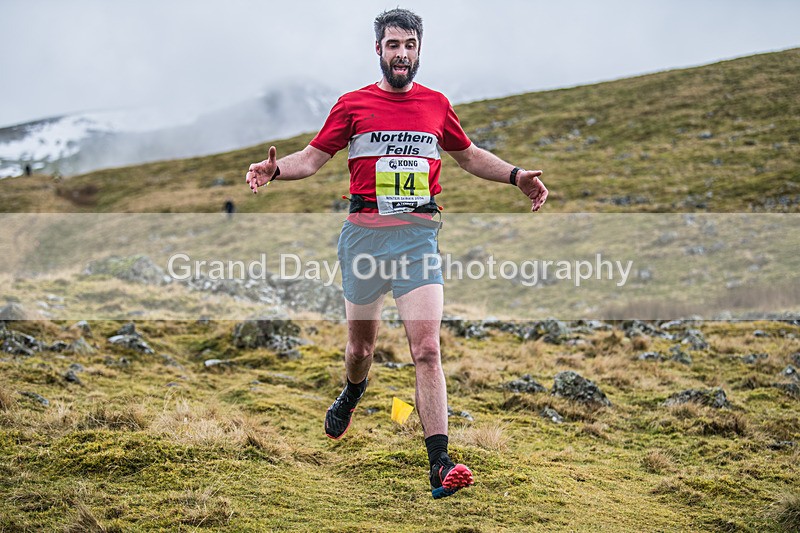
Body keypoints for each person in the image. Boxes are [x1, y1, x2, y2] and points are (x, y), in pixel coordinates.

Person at [245, 8, 548, 499]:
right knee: (361, 349)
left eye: (409, 44)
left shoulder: (436, 105)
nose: (401, 53)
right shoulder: (352, 105)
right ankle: (353, 390)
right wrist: (273, 171)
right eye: (392, 45)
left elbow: (468, 155)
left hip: (416, 238)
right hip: (364, 238)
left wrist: (516, 176)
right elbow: (311, 158)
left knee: (427, 349)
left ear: (419, 49)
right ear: (379, 51)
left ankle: (439, 462)